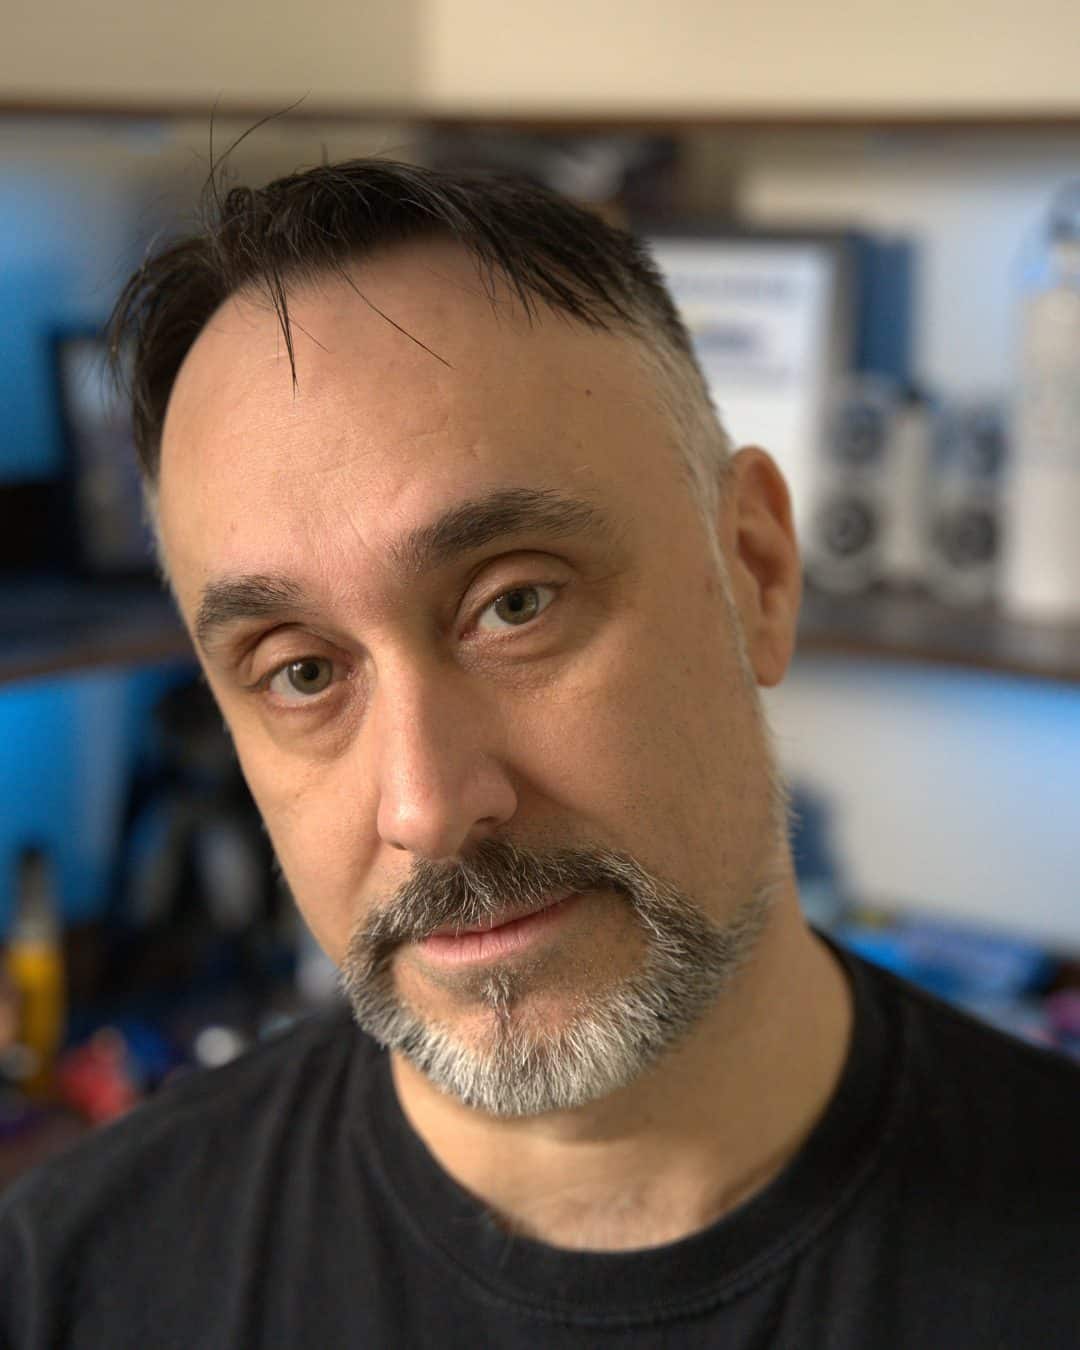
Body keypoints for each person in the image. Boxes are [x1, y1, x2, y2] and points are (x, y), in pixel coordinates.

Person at [1, 160, 1077, 1349]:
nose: (426, 807)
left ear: (757, 573)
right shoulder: (69, 1289)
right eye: (301, 672)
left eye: (514, 603)